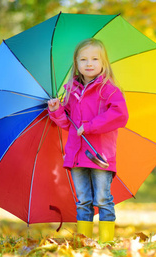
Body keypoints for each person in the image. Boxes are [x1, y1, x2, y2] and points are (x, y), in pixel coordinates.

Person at [47, 38, 129, 242]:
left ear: (103, 63)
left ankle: (106, 241)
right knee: (83, 200)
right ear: (76, 64)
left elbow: (120, 115)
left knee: (102, 198)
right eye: (83, 59)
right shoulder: (71, 93)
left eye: (94, 59)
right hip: (75, 155)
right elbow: (67, 124)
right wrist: (57, 109)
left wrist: (91, 126)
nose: (89, 63)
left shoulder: (108, 90)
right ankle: (83, 240)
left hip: (99, 154)